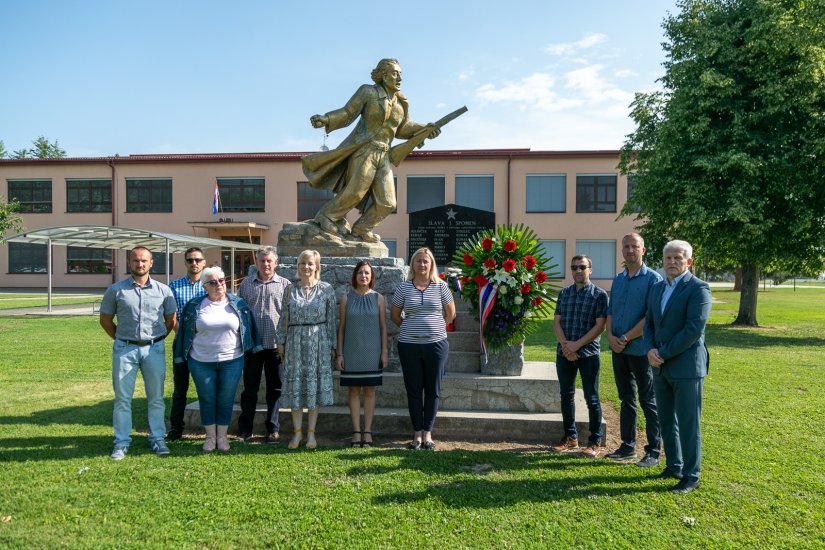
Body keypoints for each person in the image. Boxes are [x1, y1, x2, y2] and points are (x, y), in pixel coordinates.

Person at [303, 58, 440, 243]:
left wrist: (425, 129)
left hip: (384, 155)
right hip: (364, 150)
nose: (399, 77)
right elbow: (347, 113)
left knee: (387, 203)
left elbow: (402, 128)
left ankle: (360, 230)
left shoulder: (401, 102)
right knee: (356, 192)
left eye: (400, 74)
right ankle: (326, 216)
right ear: (383, 75)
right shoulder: (368, 92)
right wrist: (326, 119)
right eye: (394, 73)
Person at [645, 240, 711, 494]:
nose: (672, 262)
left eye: (678, 257)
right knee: (666, 419)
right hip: (659, 366)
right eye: (668, 257)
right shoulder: (657, 288)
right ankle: (674, 465)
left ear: (689, 261)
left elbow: (693, 329)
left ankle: (691, 475)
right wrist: (650, 348)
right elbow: (649, 322)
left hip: (686, 368)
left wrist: (662, 352)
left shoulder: (698, 289)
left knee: (688, 423)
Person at [99, 246, 177, 460]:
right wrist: (122, 339)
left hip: (154, 349)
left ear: (151, 263)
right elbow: (105, 321)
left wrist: (157, 339)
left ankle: (158, 438)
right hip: (125, 349)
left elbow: (170, 321)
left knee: (156, 397)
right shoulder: (116, 290)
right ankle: (121, 442)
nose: (140, 264)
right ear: (129, 263)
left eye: (144, 261)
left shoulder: (164, 291)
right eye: (135, 261)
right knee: (123, 398)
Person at [173, 266, 261, 452]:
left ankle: (222, 437)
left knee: (226, 399)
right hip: (201, 362)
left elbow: (249, 328)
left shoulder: (238, 303)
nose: (219, 285)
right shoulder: (194, 305)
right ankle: (210, 437)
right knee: (207, 398)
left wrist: (254, 348)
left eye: (221, 280)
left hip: (232, 360)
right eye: (213, 282)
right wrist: (181, 356)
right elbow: (183, 333)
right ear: (205, 286)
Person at [605, 233, 663, 467]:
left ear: (643, 250)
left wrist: (627, 337)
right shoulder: (618, 280)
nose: (630, 250)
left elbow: (650, 317)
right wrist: (610, 336)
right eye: (626, 246)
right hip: (618, 350)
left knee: (648, 399)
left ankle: (653, 450)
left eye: (634, 246)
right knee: (625, 398)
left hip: (641, 349)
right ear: (622, 251)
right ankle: (628, 445)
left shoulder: (653, 279)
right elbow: (610, 311)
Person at [390, 247, 456, 450]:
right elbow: (395, 315)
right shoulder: (404, 288)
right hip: (409, 346)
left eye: (426, 261)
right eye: (418, 261)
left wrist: (434, 329)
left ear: (431, 264)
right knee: (414, 390)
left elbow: (450, 314)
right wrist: (412, 329)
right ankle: (417, 433)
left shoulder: (441, 287)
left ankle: (428, 432)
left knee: (432, 390)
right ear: (413, 264)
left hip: (436, 345)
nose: (422, 264)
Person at [276, 250, 337, 449]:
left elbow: (331, 320)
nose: (306, 267)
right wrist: (281, 341)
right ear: (298, 266)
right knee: (296, 388)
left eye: (310, 263)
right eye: (302, 263)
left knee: (313, 387)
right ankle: (297, 434)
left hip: (318, 343)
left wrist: (332, 346)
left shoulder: (326, 289)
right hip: (294, 342)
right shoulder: (289, 290)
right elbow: (283, 317)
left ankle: (311, 434)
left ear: (317, 266)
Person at [550, 254, 609, 458]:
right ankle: (570, 437)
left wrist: (576, 346)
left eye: (582, 267)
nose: (577, 271)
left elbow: (600, 326)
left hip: (588, 354)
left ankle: (594, 441)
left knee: (591, 398)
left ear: (590, 270)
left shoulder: (599, 295)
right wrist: (566, 346)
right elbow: (557, 322)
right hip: (564, 353)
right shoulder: (564, 293)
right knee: (566, 396)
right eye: (574, 267)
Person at [236, 246, 290, 444]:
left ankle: (273, 429)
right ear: (256, 262)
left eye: (269, 261)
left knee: (275, 389)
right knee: (250, 388)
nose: (266, 264)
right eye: (262, 261)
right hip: (253, 346)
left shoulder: (286, 285)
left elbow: (288, 316)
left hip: (276, 347)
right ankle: (245, 429)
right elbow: (239, 315)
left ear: (276, 263)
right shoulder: (246, 285)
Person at [336, 261, 388, 448]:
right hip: (351, 350)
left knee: (370, 391)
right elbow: (341, 328)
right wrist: (340, 354)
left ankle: (368, 431)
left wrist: (384, 352)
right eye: (360, 273)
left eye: (367, 273)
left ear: (371, 277)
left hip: (372, 351)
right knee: (353, 390)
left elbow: (383, 327)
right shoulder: (346, 299)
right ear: (355, 276)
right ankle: (356, 431)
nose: (363, 276)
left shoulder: (378, 299)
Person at [166, 246, 207, 441]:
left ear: (204, 262)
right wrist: (182, 334)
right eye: (190, 260)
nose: (194, 263)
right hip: (181, 344)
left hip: (205, 345)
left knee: (204, 388)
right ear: (185, 263)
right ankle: (175, 429)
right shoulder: (174, 286)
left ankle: (210, 429)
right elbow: (171, 316)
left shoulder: (209, 285)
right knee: (180, 389)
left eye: (197, 260)